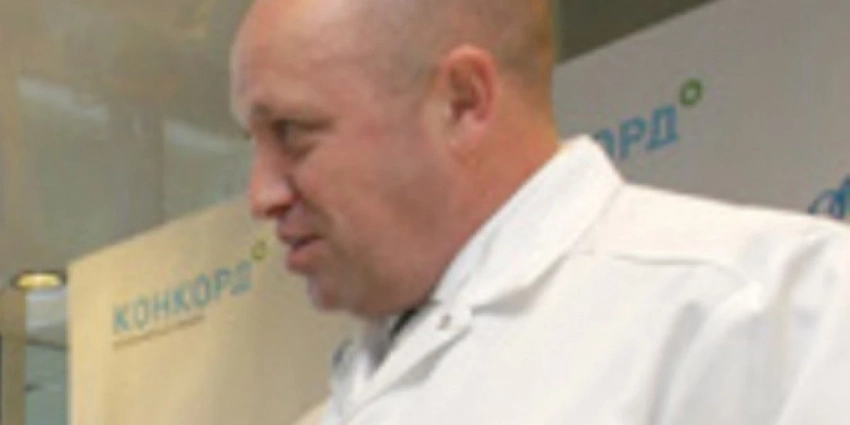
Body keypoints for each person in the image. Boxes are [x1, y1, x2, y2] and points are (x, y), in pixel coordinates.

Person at [229, 0, 850, 423]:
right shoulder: (342, 403)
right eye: (253, 143)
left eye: (292, 132)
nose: (262, 195)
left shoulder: (772, 312)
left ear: (463, 101)